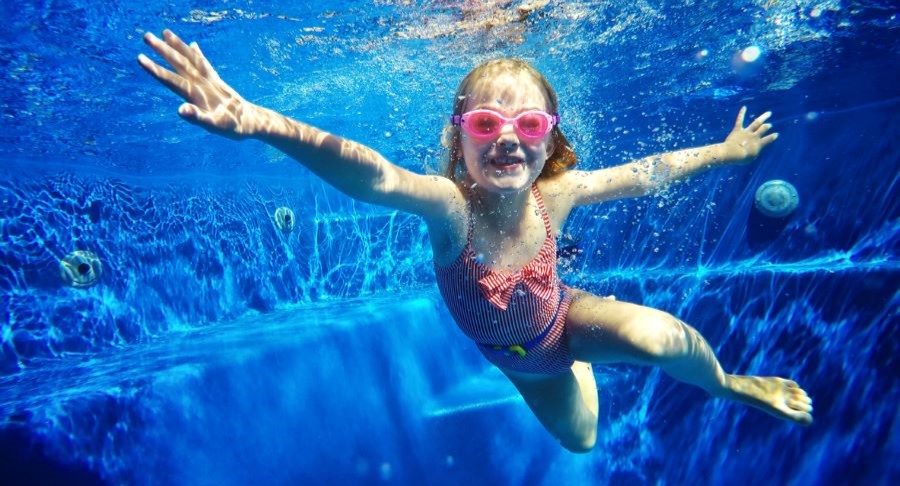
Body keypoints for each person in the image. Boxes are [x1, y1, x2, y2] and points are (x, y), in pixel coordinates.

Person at [138, 29, 813, 453]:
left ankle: (727, 384)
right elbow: (373, 175)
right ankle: (584, 366)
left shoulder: (560, 191)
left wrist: (724, 153)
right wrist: (261, 123)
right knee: (580, 441)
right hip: (525, 360)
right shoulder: (450, 210)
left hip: (565, 316)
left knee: (660, 338)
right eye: (487, 124)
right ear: (458, 141)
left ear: (549, 135)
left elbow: (646, 174)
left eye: (529, 122)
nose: (509, 137)